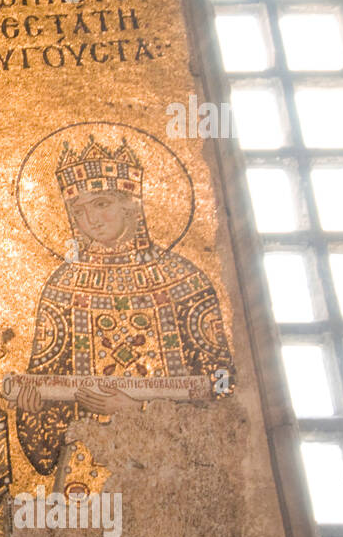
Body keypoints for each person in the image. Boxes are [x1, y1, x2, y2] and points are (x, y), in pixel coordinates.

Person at [16, 137, 233, 473]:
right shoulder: (62, 289)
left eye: (101, 204)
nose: (90, 220)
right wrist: (33, 411)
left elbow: (222, 393)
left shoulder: (184, 283)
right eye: (79, 210)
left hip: (169, 472)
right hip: (84, 476)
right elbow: (47, 402)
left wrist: (134, 410)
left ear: (131, 204)